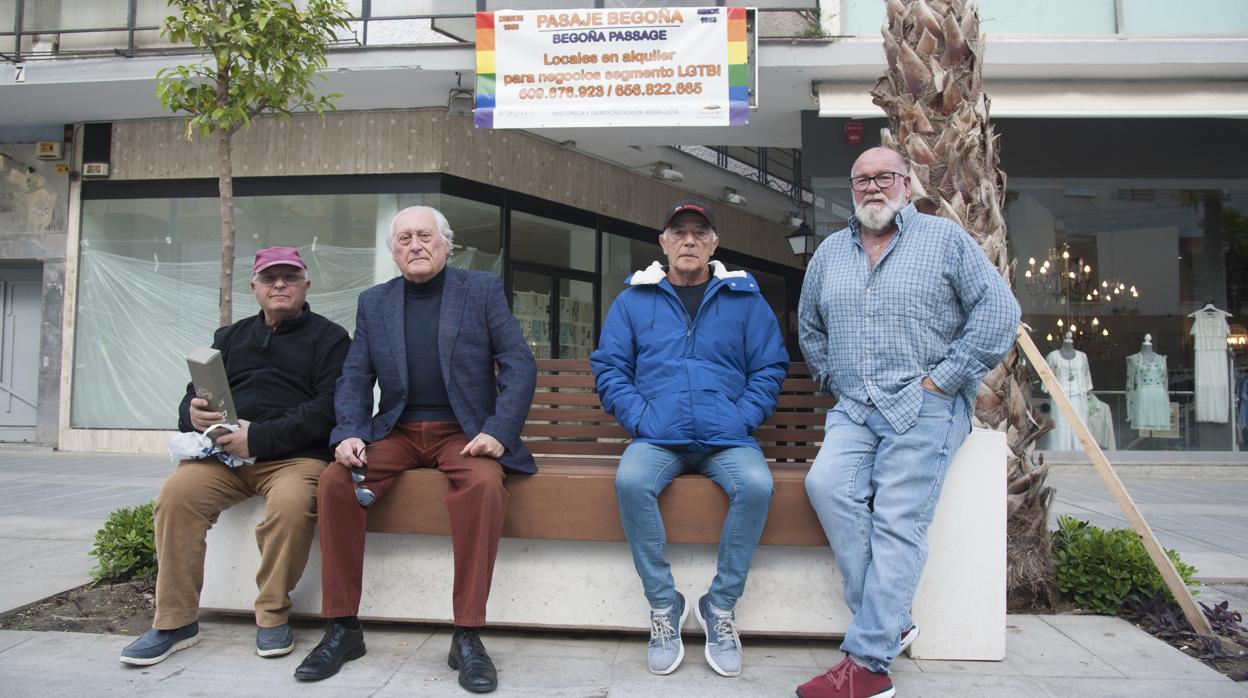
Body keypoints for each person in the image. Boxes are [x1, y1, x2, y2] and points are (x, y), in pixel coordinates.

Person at [795, 147, 1019, 698]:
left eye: (884, 177)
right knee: (825, 486)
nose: (873, 187)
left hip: (924, 405)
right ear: (852, 189)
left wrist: (946, 378)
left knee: (899, 519)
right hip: (854, 406)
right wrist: (830, 375)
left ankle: (869, 664)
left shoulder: (944, 240)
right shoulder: (829, 252)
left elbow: (1000, 311)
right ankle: (891, 620)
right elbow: (809, 323)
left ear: (906, 182)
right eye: (862, 179)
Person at [294, 206, 536, 693]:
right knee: (337, 481)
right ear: (393, 251)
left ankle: (467, 634)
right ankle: (343, 627)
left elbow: (517, 363)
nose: (415, 246)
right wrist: (349, 433)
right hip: (399, 430)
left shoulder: (480, 291)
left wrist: (499, 430)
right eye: (403, 238)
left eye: (425, 236)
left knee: (485, 485)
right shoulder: (375, 302)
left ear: (447, 245)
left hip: (463, 432)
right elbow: (356, 375)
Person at [120, 246, 350, 666]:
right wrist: (190, 413)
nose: (279, 284)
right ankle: (175, 621)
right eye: (269, 278)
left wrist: (259, 437)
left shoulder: (331, 339)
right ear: (254, 288)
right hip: (223, 459)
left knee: (293, 504)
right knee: (177, 497)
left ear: (305, 285)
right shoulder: (228, 337)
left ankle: (272, 614)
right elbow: (194, 395)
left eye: (289, 277)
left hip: (294, 459)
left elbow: (330, 409)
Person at [591, 199, 788, 678]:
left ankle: (720, 606)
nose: (689, 241)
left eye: (700, 233)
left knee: (757, 486)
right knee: (632, 482)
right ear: (663, 243)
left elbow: (769, 366)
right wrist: (642, 418)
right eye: (679, 232)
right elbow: (610, 367)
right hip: (658, 438)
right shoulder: (635, 299)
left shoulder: (744, 298)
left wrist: (742, 417)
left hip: (728, 438)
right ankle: (665, 605)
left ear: (714, 243)